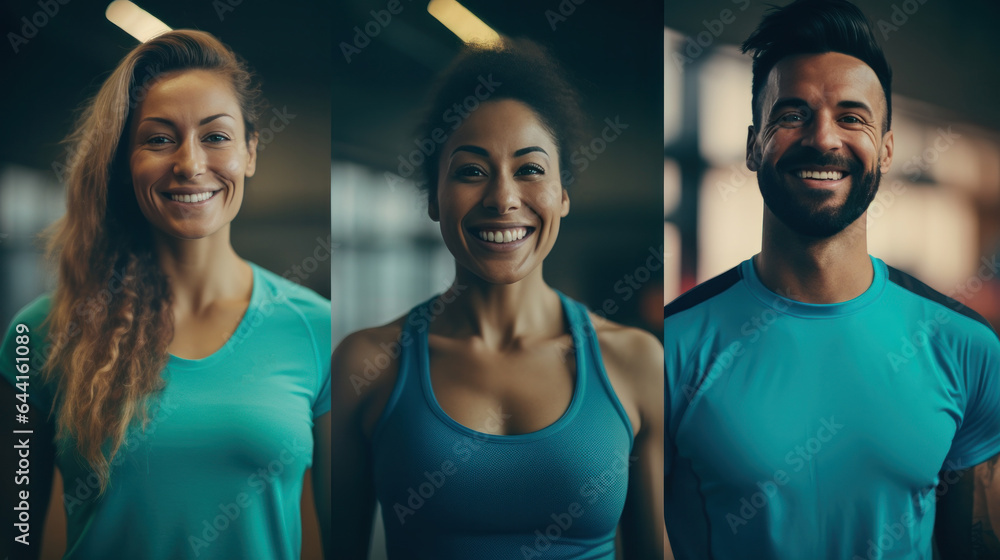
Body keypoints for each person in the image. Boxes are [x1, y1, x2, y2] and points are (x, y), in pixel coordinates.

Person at [663, 0, 1000, 558]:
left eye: (852, 117)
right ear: (753, 145)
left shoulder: (966, 347)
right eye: (792, 114)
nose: (824, 139)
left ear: (886, 148)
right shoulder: (670, 347)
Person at [0, 30, 331, 559]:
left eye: (216, 137)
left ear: (250, 151)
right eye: (158, 139)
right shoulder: (35, 336)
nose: (190, 164)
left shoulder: (318, 330)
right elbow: (14, 530)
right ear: (123, 160)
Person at [332, 39, 664, 559]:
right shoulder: (368, 365)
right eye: (470, 171)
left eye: (530, 170)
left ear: (564, 194)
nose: (502, 198)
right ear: (432, 199)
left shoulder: (636, 362)